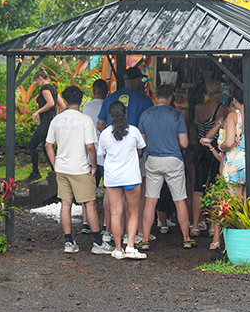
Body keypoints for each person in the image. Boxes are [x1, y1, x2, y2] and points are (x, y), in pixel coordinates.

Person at [45, 86, 112, 255]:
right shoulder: (85, 120)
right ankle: (97, 243)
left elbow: (48, 145)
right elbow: (90, 147)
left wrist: (55, 164)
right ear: (81, 100)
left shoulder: (56, 120)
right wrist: (95, 166)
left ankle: (69, 242)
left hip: (62, 168)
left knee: (65, 204)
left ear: (65, 101)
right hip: (81, 168)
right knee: (89, 203)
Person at [202, 86, 250, 250]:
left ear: (235, 100)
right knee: (247, 202)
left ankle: (231, 245)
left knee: (231, 203)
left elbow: (228, 143)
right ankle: (246, 240)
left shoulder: (233, 115)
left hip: (235, 161)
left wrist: (219, 146)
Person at [137, 84, 193, 250]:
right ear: (171, 98)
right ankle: (186, 238)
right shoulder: (176, 115)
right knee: (179, 200)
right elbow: (184, 143)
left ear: (156, 96)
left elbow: (142, 143)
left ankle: (145, 239)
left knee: (150, 201)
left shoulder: (145, 115)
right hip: (173, 160)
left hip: (153, 159)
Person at [97, 100, 147, 260]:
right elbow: (140, 151)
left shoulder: (105, 133)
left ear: (110, 116)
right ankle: (130, 247)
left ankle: (118, 249)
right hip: (131, 176)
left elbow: (103, 154)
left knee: (115, 213)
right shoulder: (134, 131)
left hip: (112, 178)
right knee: (133, 213)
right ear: (126, 113)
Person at [191, 78, 228, 237]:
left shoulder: (198, 107)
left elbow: (198, 126)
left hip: (200, 147)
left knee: (198, 186)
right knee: (214, 184)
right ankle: (213, 225)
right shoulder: (222, 109)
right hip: (214, 147)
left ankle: (195, 225)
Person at [80, 78, 109, 241]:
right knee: (107, 190)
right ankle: (105, 223)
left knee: (89, 189)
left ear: (93, 91)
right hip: (105, 152)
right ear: (106, 91)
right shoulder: (108, 105)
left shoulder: (87, 106)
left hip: (89, 152)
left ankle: (86, 222)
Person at [26, 69, 64, 181]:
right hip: (51, 121)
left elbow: (51, 103)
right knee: (45, 146)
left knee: (32, 145)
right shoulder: (53, 89)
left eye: (37, 81)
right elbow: (62, 106)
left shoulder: (45, 88)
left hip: (46, 121)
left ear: (40, 78)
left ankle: (35, 172)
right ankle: (55, 171)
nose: (37, 84)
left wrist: (37, 112)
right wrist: (57, 119)